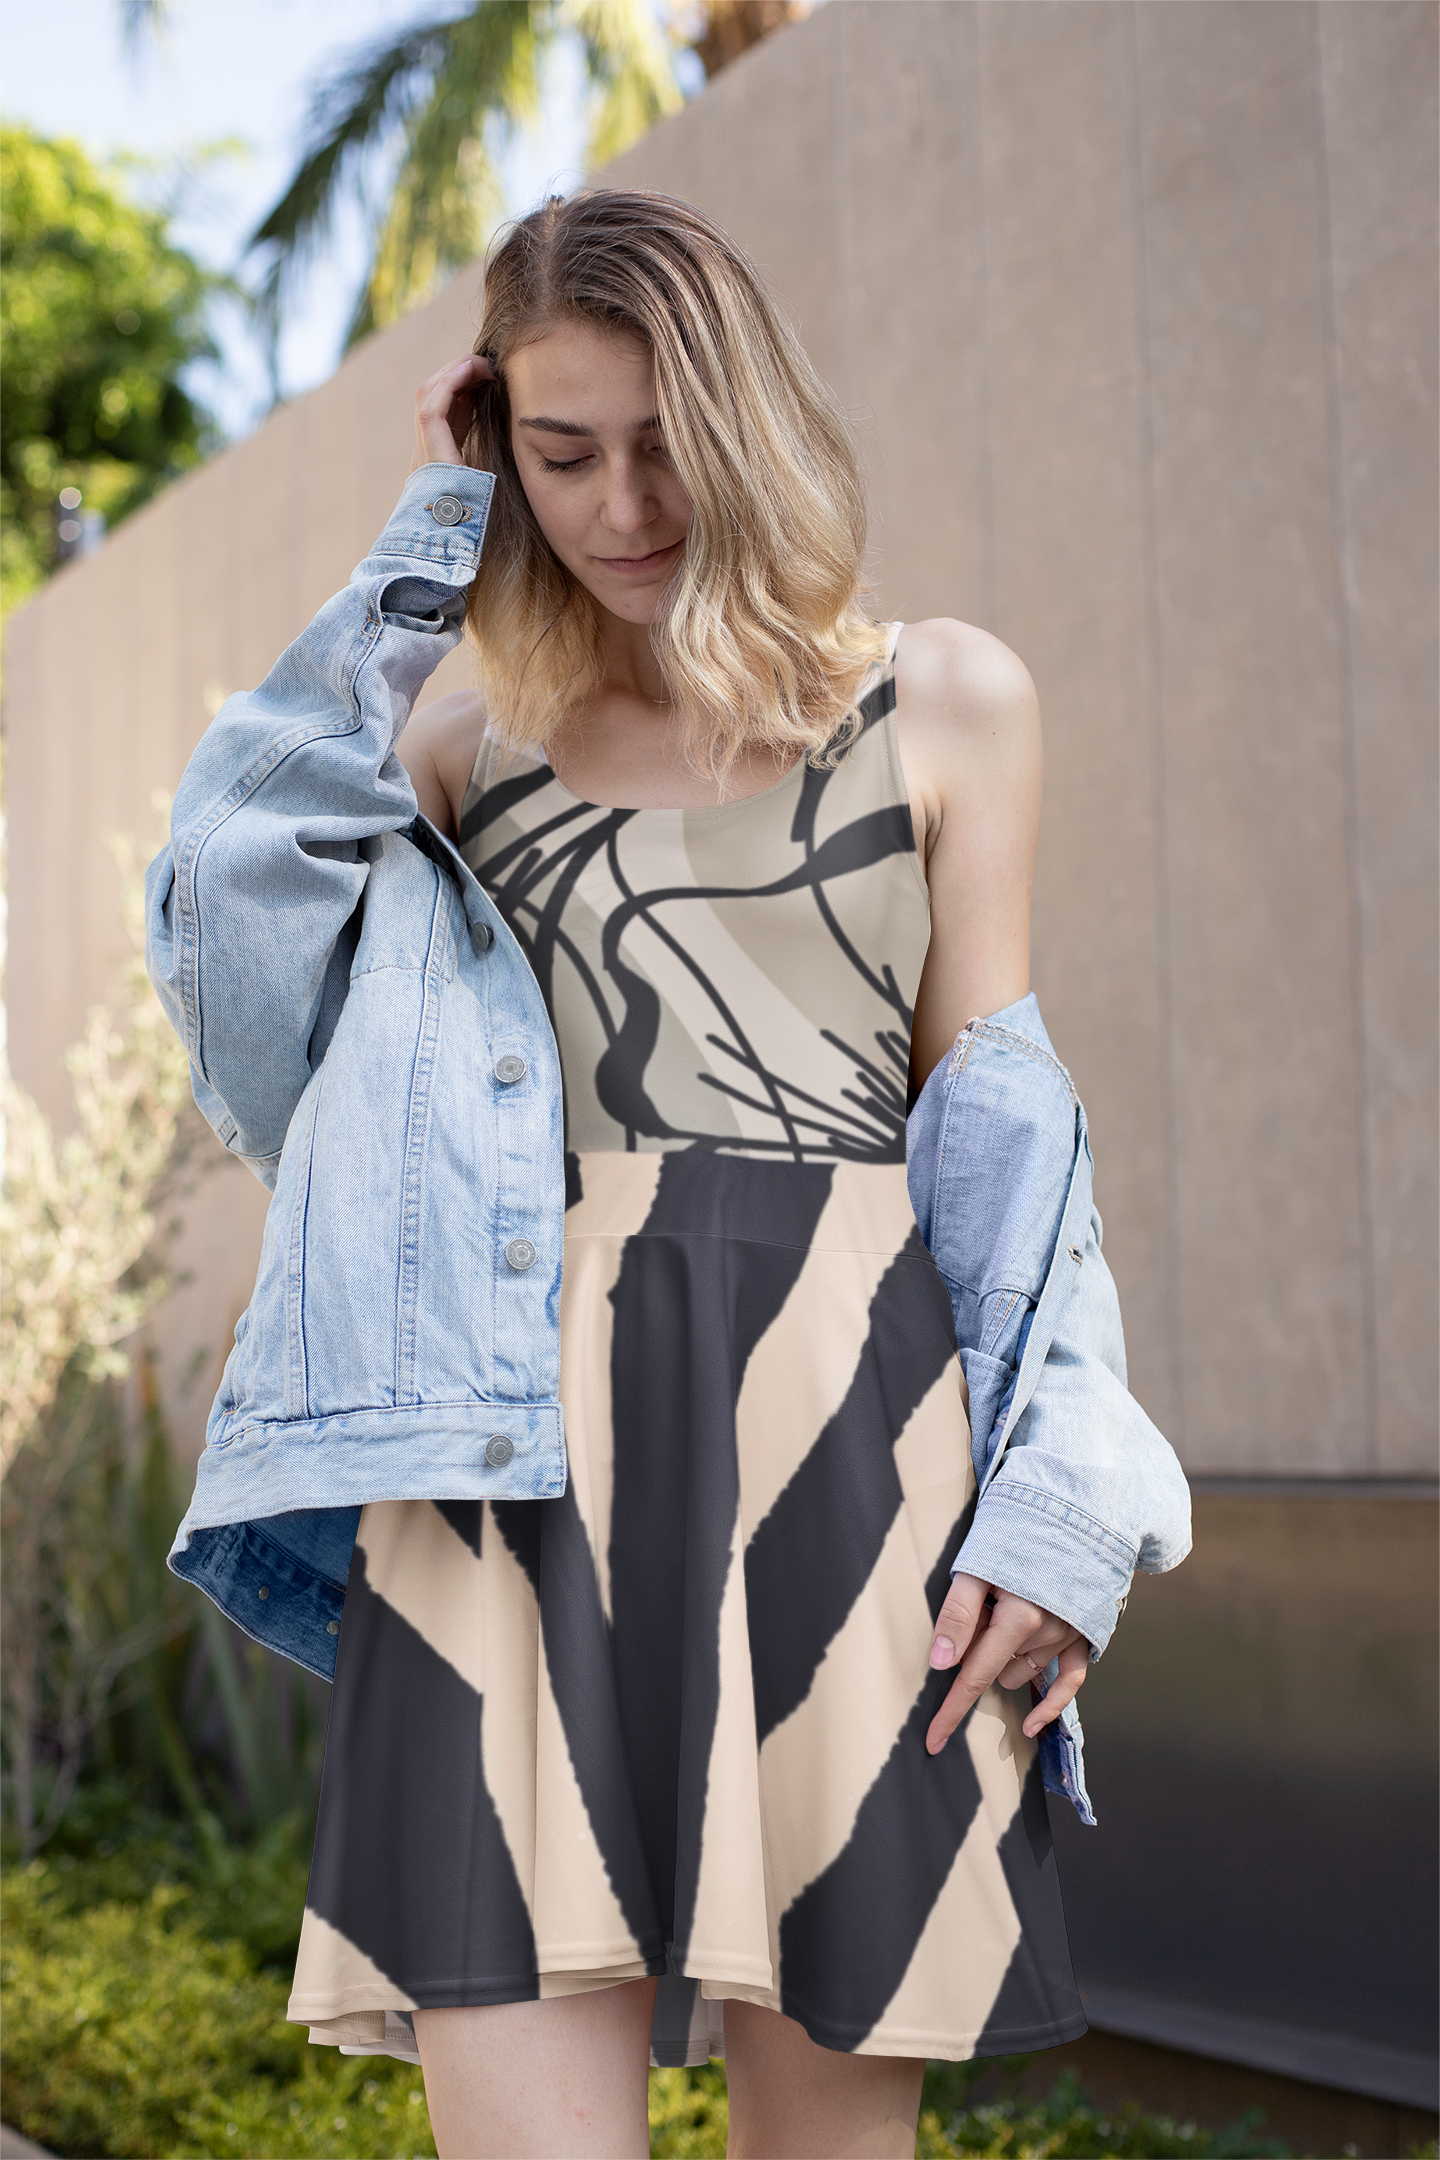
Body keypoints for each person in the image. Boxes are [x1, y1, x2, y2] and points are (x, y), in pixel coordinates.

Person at [147, 190, 1191, 2160]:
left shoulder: (944, 701)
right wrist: (425, 550)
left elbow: (1011, 1150)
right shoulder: (463, 747)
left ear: (755, 426)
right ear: (497, 447)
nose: (621, 504)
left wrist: (1062, 1508)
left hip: (854, 1467)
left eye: (666, 444)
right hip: (501, 1485)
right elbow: (225, 917)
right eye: (559, 453)